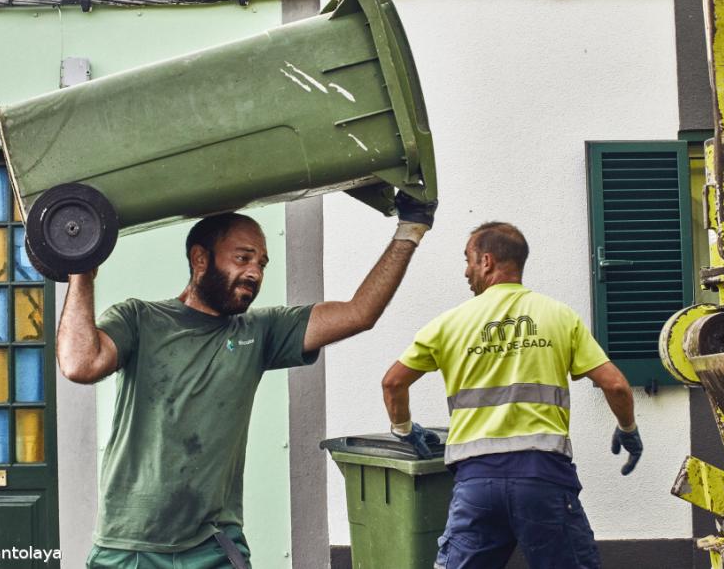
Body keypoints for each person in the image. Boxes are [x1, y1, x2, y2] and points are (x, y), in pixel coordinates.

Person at [57, 194, 436, 569]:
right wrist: (81, 268)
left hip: (213, 545)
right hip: (130, 546)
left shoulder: (262, 331)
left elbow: (359, 313)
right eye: (243, 258)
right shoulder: (140, 318)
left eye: (262, 263)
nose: (255, 272)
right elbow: (79, 364)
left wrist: (410, 229)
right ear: (200, 259)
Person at [381, 221, 642, 569]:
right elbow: (616, 385)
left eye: (468, 260)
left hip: (476, 483)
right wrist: (627, 429)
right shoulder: (559, 316)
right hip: (543, 477)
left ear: (486, 261)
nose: (466, 271)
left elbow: (393, 383)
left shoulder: (448, 323)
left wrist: (405, 430)